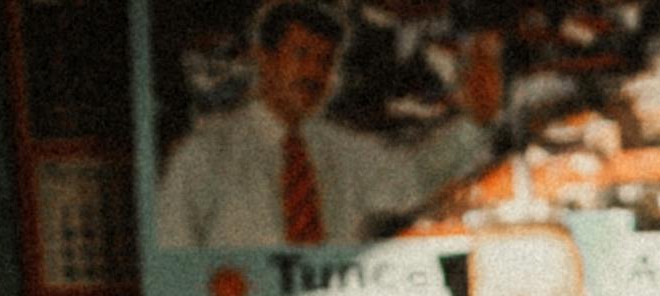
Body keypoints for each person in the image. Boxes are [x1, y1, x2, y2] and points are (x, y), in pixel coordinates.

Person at [156, 2, 492, 250]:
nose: (314, 74)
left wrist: (475, 124)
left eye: (324, 62)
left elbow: (412, 179)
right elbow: (172, 257)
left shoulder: (344, 151)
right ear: (265, 59)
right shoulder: (204, 157)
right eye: (301, 55)